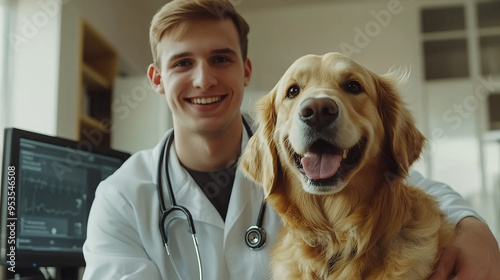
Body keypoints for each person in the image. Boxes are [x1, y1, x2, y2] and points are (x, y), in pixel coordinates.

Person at [82, 0, 500, 279]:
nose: (203, 78)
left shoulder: (330, 165)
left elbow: (411, 189)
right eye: (182, 62)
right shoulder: (119, 199)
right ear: (157, 79)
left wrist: (474, 227)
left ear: (246, 71)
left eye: (221, 58)